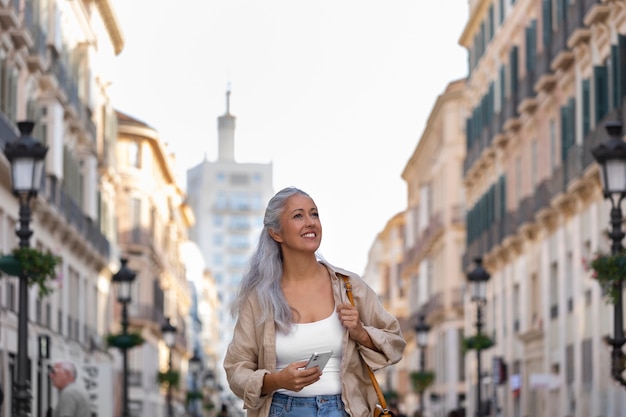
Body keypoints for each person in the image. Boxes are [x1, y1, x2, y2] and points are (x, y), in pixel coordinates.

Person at [224, 187, 406, 417]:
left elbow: (395, 341)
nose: (310, 222)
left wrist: (361, 333)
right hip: (282, 410)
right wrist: (277, 380)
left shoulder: (349, 286)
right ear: (276, 233)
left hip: (344, 410)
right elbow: (235, 368)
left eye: (314, 214)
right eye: (298, 216)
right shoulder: (259, 298)